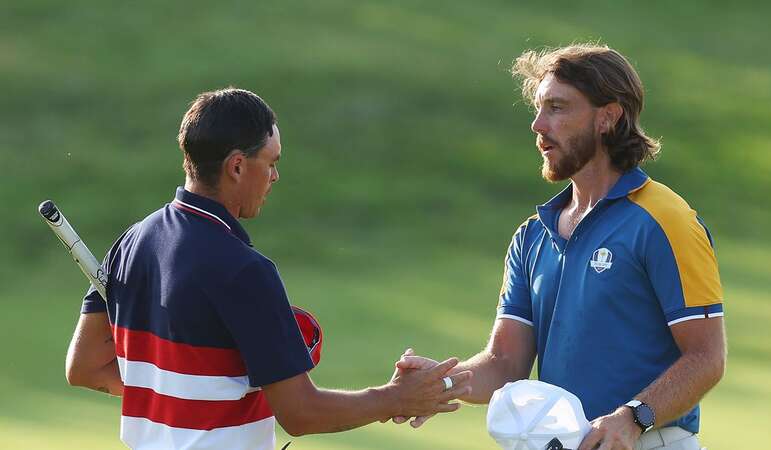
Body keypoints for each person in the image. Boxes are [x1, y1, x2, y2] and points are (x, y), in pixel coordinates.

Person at [65, 87, 472, 450]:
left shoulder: (129, 242)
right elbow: (301, 414)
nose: (275, 176)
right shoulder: (243, 270)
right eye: (271, 162)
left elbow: (84, 367)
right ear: (237, 166)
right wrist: (395, 397)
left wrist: (177, 387)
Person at [395, 44, 726, 450]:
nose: (537, 124)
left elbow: (707, 358)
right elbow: (505, 364)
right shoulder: (532, 236)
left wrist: (633, 418)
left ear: (608, 117)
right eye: (538, 108)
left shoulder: (665, 220)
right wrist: (443, 382)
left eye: (557, 107)